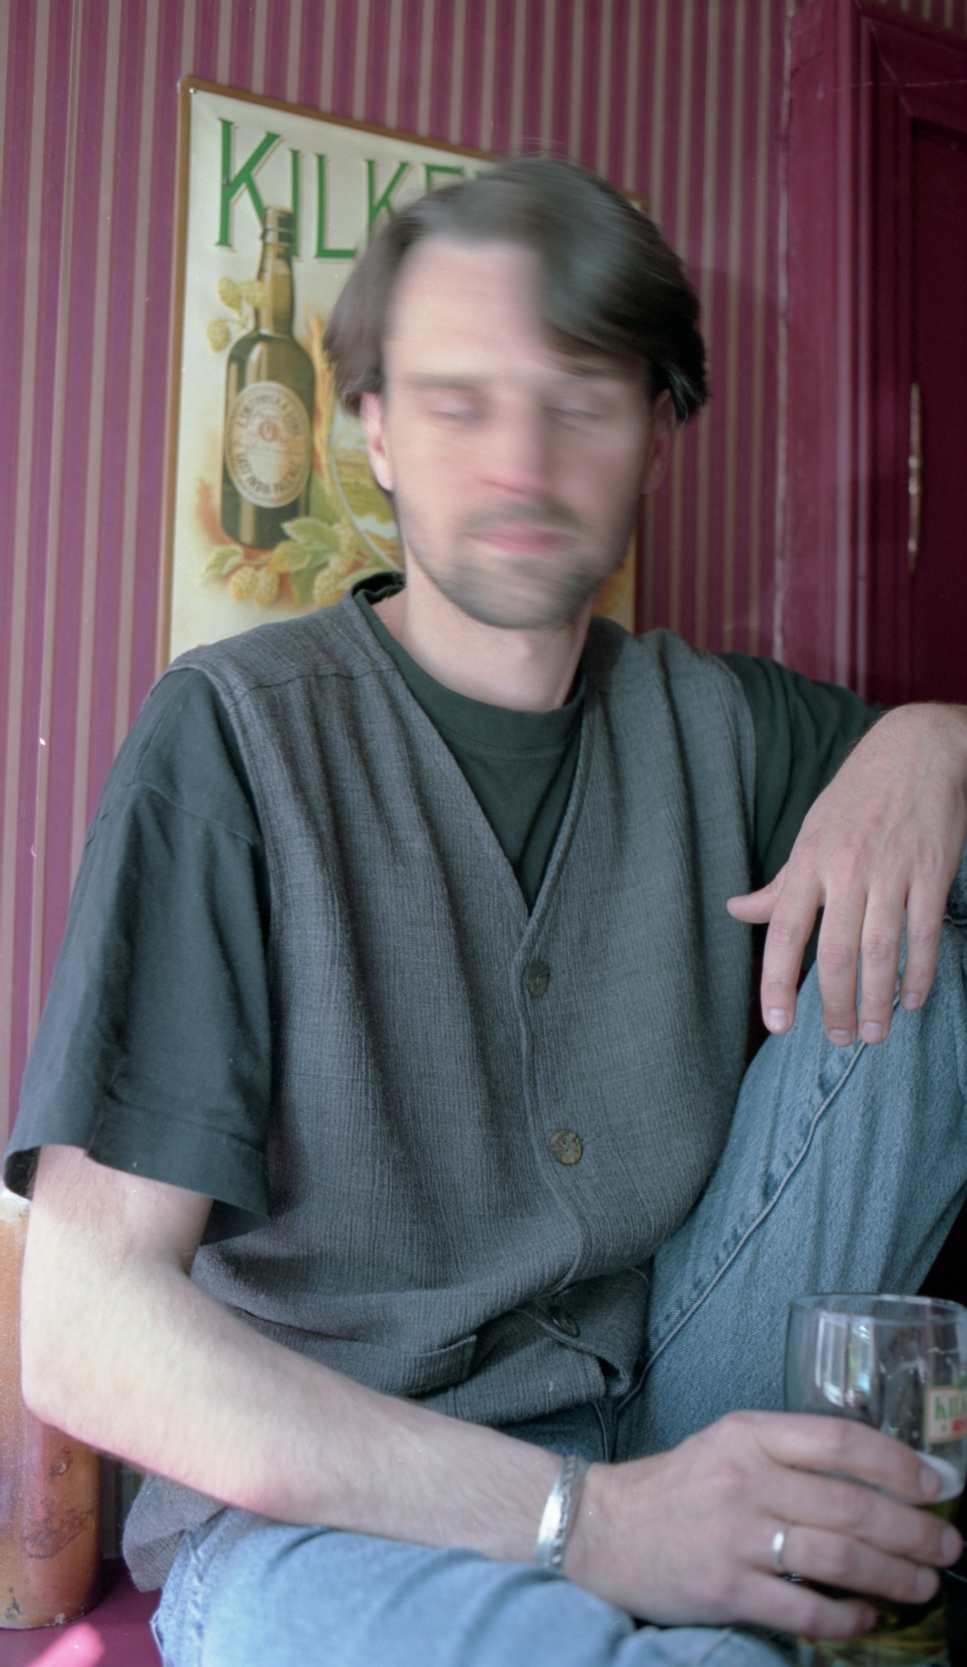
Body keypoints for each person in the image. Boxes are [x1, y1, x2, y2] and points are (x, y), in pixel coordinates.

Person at [6, 159, 967, 1667]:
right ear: (375, 431)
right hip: (322, 1519)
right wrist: (592, 1522)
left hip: (675, 1410)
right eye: (460, 402)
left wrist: (940, 743)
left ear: (657, 436)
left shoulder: (720, 723)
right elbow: (87, 1332)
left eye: (580, 399)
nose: (522, 460)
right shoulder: (236, 739)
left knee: (927, 949)